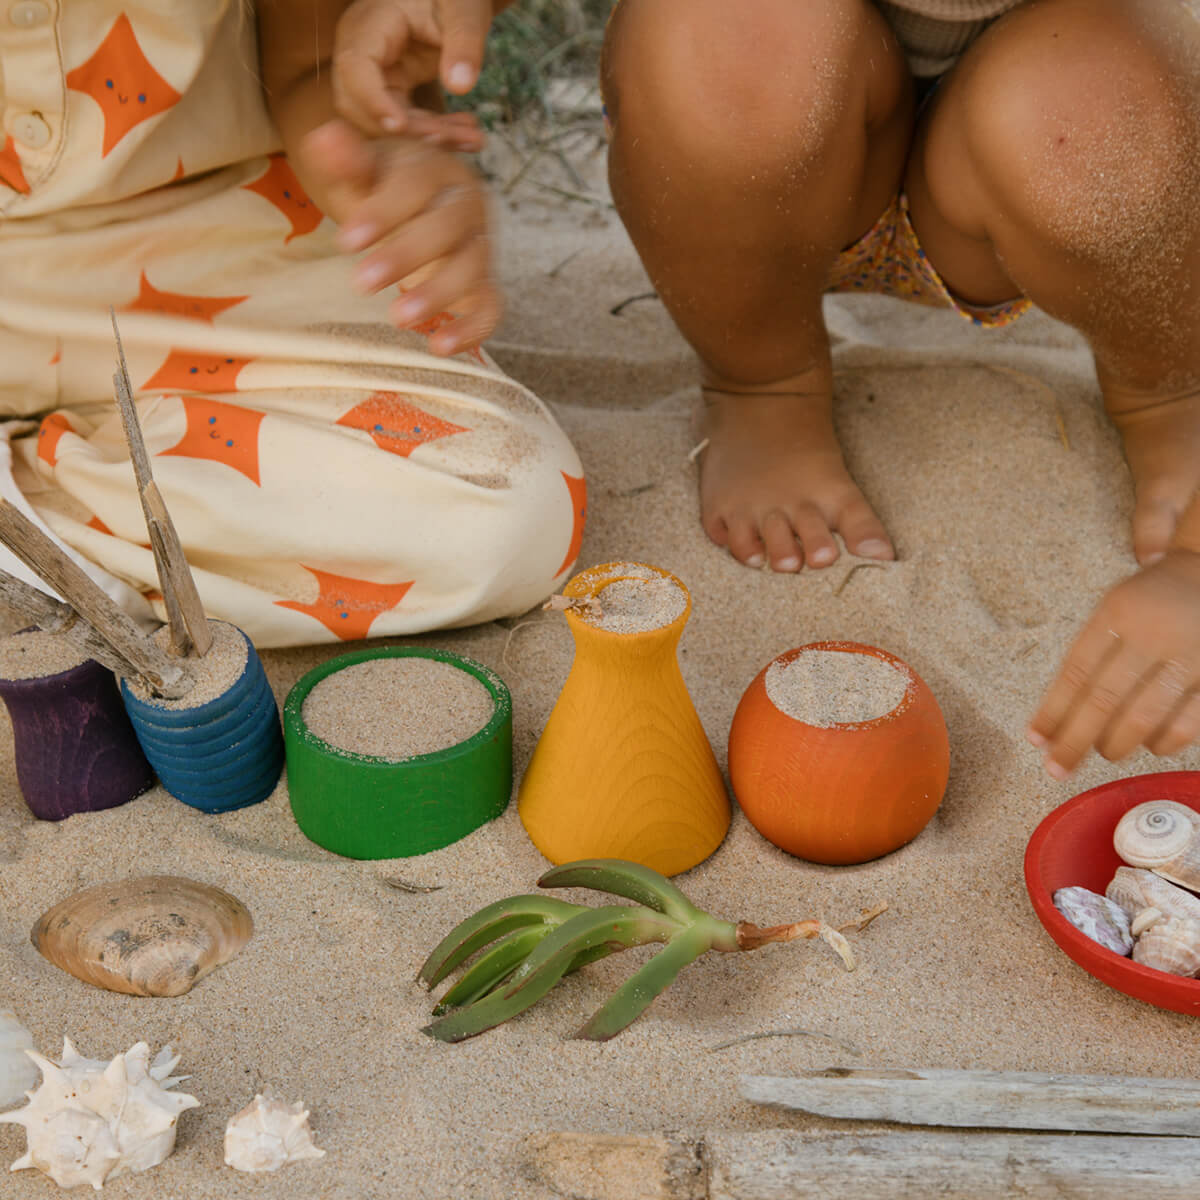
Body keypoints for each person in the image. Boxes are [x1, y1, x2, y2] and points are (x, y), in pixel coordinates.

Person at [329, 0, 1200, 782]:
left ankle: (1169, 384)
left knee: (1092, 122)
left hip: (1080, 119)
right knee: (727, 34)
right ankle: (763, 380)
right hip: (759, 133)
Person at [0, 0, 584, 651]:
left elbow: (311, 60)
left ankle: (32, 537)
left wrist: (381, 150)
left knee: (508, 511)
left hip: (227, 239)